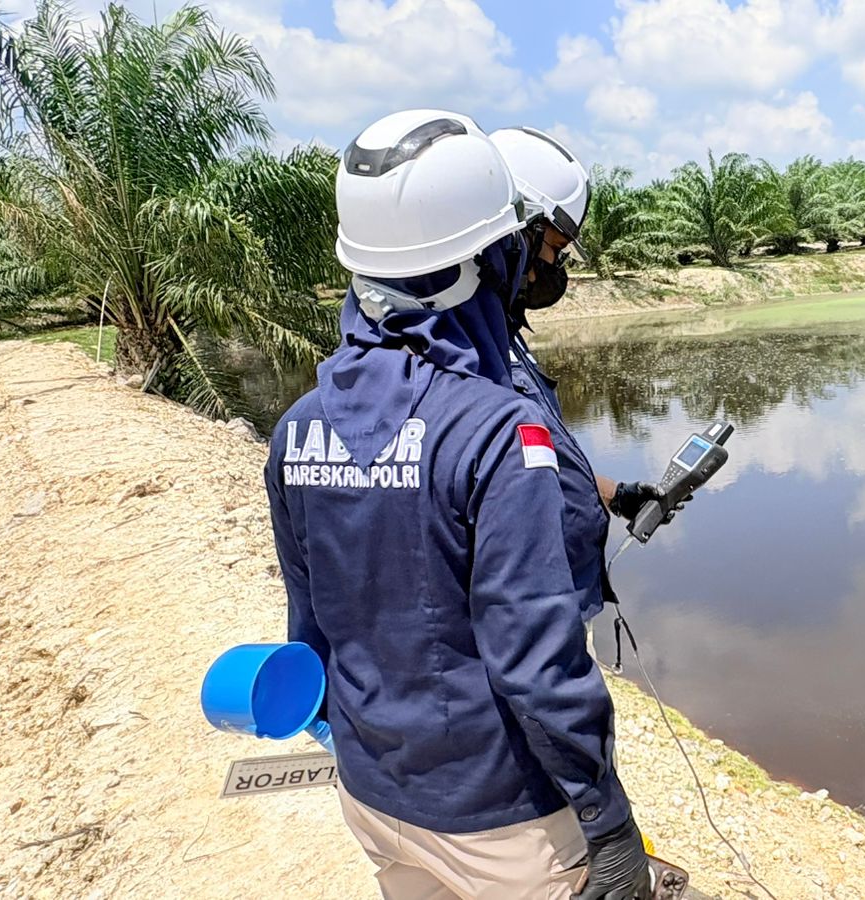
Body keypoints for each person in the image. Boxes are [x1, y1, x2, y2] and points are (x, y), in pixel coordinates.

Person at [265, 109, 652, 900]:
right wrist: (609, 821)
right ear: (495, 257)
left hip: (373, 794)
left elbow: (310, 631)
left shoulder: (296, 430)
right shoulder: (496, 431)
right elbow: (536, 665)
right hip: (497, 816)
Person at [487, 126, 671, 633]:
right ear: (515, 234)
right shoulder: (464, 363)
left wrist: (613, 493)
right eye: (556, 244)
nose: (555, 264)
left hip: (559, 606)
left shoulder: (500, 341)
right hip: (530, 625)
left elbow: (532, 462)